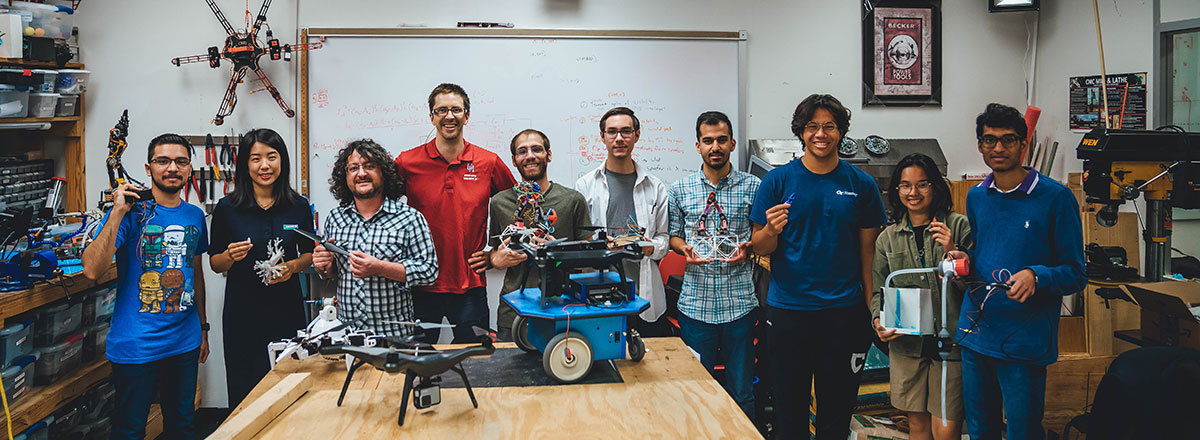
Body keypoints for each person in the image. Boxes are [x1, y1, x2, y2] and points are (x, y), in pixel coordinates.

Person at [749, 94, 886, 439]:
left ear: (841, 132)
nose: (820, 134)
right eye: (812, 126)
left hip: (843, 314)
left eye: (829, 126)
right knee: (788, 411)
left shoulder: (861, 184)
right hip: (788, 313)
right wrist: (770, 230)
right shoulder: (777, 182)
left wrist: (873, 311)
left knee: (836, 413)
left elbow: (868, 253)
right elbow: (759, 246)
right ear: (801, 132)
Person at [949, 103, 1085, 440]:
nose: (998, 148)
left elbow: (1075, 273)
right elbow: (985, 253)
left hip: (1024, 340)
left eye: (1008, 140)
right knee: (980, 430)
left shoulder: (1056, 198)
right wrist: (962, 261)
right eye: (989, 140)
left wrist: (1037, 276)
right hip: (977, 333)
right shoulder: (978, 197)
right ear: (979, 145)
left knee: (1023, 432)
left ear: (1023, 144)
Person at [82, 134, 209, 439]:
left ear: (189, 169)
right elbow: (91, 269)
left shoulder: (195, 215)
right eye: (162, 161)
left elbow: (195, 271)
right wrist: (117, 212)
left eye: (180, 161)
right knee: (130, 429)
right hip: (136, 344)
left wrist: (203, 328)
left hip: (185, 341)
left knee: (182, 426)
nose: (172, 168)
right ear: (148, 167)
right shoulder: (130, 212)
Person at [394, 83, 516, 343]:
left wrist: (494, 253)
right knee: (419, 363)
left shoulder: (488, 162)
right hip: (421, 283)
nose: (449, 116)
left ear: (467, 116)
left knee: (475, 363)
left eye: (456, 110)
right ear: (432, 117)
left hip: (470, 285)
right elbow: (381, 209)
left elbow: (517, 210)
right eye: (441, 110)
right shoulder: (407, 163)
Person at [207, 128, 315, 409]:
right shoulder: (227, 207)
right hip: (242, 313)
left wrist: (292, 266)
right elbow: (214, 262)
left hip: (287, 311)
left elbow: (309, 255)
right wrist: (229, 256)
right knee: (245, 389)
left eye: (272, 157)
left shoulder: (298, 206)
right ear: (245, 164)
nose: (264, 166)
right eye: (255, 159)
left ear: (283, 161)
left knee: (289, 386)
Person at [871, 153, 974, 440]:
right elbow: (880, 290)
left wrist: (951, 249)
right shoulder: (887, 238)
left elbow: (974, 288)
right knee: (917, 427)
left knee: (946, 429)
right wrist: (878, 320)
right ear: (897, 190)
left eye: (922, 184)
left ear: (936, 187)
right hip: (907, 348)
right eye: (905, 185)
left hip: (950, 346)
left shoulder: (958, 225)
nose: (913, 193)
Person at [667, 111, 760, 421]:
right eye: (708, 141)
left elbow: (761, 237)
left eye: (722, 140)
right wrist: (686, 249)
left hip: (740, 305)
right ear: (698, 146)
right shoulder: (680, 189)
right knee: (695, 388)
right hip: (695, 306)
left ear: (732, 143)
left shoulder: (753, 187)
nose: (715, 146)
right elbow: (674, 236)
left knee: (742, 390)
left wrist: (750, 248)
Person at [313, 139, 439, 337]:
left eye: (369, 166)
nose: (361, 173)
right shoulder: (335, 219)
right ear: (344, 176)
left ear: (383, 173)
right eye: (353, 168)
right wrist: (324, 266)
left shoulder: (409, 218)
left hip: (395, 337)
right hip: (348, 335)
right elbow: (333, 273)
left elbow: (429, 271)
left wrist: (380, 268)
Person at [487, 129, 591, 341]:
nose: (530, 156)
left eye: (537, 149)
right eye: (522, 151)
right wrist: (495, 260)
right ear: (514, 161)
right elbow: (495, 253)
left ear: (549, 155)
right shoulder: (499, 202)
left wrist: (558, 252)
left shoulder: (572, 200)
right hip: (514, 311)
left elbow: (588, 259)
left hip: (564, 308)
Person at [575, 106, 670, 333]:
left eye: (626, 131)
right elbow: (580, 240)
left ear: (637, 135)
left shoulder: (655, 186)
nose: (619, 138)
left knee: (646, 360)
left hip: (644, 292)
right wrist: (597, 244)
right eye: (612, 132)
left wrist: (649, 246)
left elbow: (664, 239)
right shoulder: (585, 186)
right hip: (600, 289)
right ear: (603, 137)